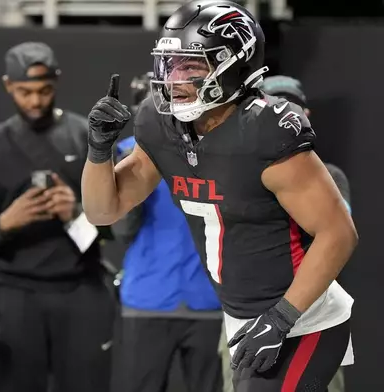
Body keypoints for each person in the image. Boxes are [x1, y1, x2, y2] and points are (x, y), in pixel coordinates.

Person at [81, 1, 358, 391]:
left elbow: (339, 234)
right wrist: (99, 151)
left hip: (304, 316)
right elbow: (102, 211)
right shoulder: (159, 124)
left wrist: (281, 317)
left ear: (235, 65)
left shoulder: (265, 132)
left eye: (190, 66)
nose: (174, 78)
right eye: (170, 64)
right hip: (242, 315)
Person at [0, 41, 114, 392]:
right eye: (24, 91)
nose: (35, 101)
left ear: (56, 83)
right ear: (7, 86)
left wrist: (74, 214)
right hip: (14, 296)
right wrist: (5, 222)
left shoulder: (85, 140)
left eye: (44, 90)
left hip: (80, 292)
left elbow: (112, 229)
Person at [218, 74, 353, 392]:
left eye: (293, 107)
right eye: (275, 104)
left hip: (311, 313)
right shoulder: (231, 175)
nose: (284, 113)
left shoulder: (329, 176)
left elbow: (334, 235)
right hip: (248, 314)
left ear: (305, 115)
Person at [109, 73, 223, 392]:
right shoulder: (127, 155)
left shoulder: (216, 151)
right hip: (150, 299)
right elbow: (121, 229)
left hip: (206, 299)